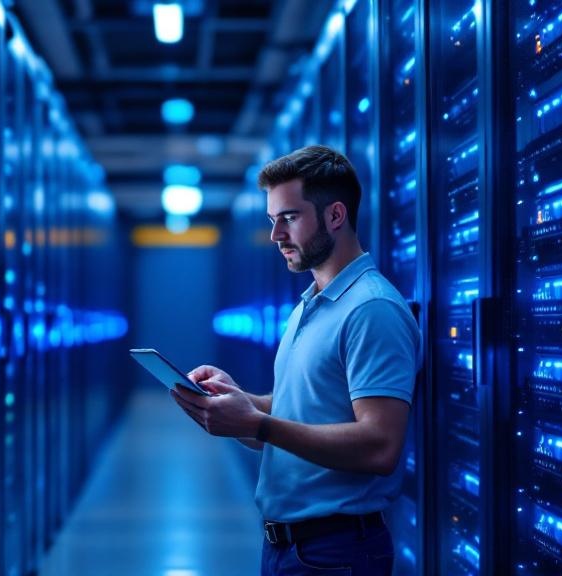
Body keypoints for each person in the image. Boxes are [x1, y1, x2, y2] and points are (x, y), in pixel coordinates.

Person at [171, 145, 420, 575]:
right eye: (272, 221)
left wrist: (255, 423)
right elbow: (303, 412)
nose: (275, 236)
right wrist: (239, 402)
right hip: (290, 548)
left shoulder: (371, 309)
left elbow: (381, 446)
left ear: (335, 216)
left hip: (336, 552)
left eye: (288, 218)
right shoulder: (309, 305)